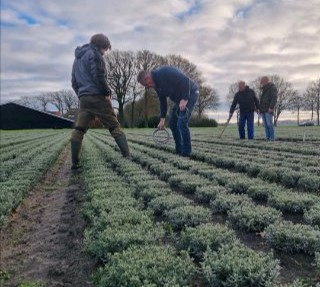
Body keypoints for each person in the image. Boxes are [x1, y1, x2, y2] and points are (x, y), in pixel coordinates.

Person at [70, 33, 130, 169]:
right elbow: (98, 75)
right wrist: (106, 92)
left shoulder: (77, 58)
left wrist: (81, 95)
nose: (105, 53)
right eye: (105, 49)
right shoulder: (95, 54)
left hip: (84, 99)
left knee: (79, 129)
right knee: (114, 125)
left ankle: (74, 162)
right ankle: (127, 156)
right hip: (97, 97)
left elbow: (73, 81)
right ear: (101, 46)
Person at [137, 66, 199, 157]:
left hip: (191, 93)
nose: (148, 87)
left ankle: (186, 153)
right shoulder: (156, 86)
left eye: (146, 85)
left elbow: (185, 80)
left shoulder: (164, 72)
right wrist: (162, 119)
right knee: (173, 124)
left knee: (181, 123)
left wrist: (185, 98)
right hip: (179, 100)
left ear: (148, 78)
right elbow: (163, 101)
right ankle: (179, 150)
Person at [259, 76, 278, 141]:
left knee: (269, 124)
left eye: (262, 81)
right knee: (265, 125)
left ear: (266, 81)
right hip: (263, 110)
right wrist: (260, 109)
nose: (261, 83)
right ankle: (267, 138)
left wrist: (271, 107)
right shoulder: (264, 89)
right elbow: (262, 100)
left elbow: (274, 98)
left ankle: (272, 138)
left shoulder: (272, 88)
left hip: (268, 109)